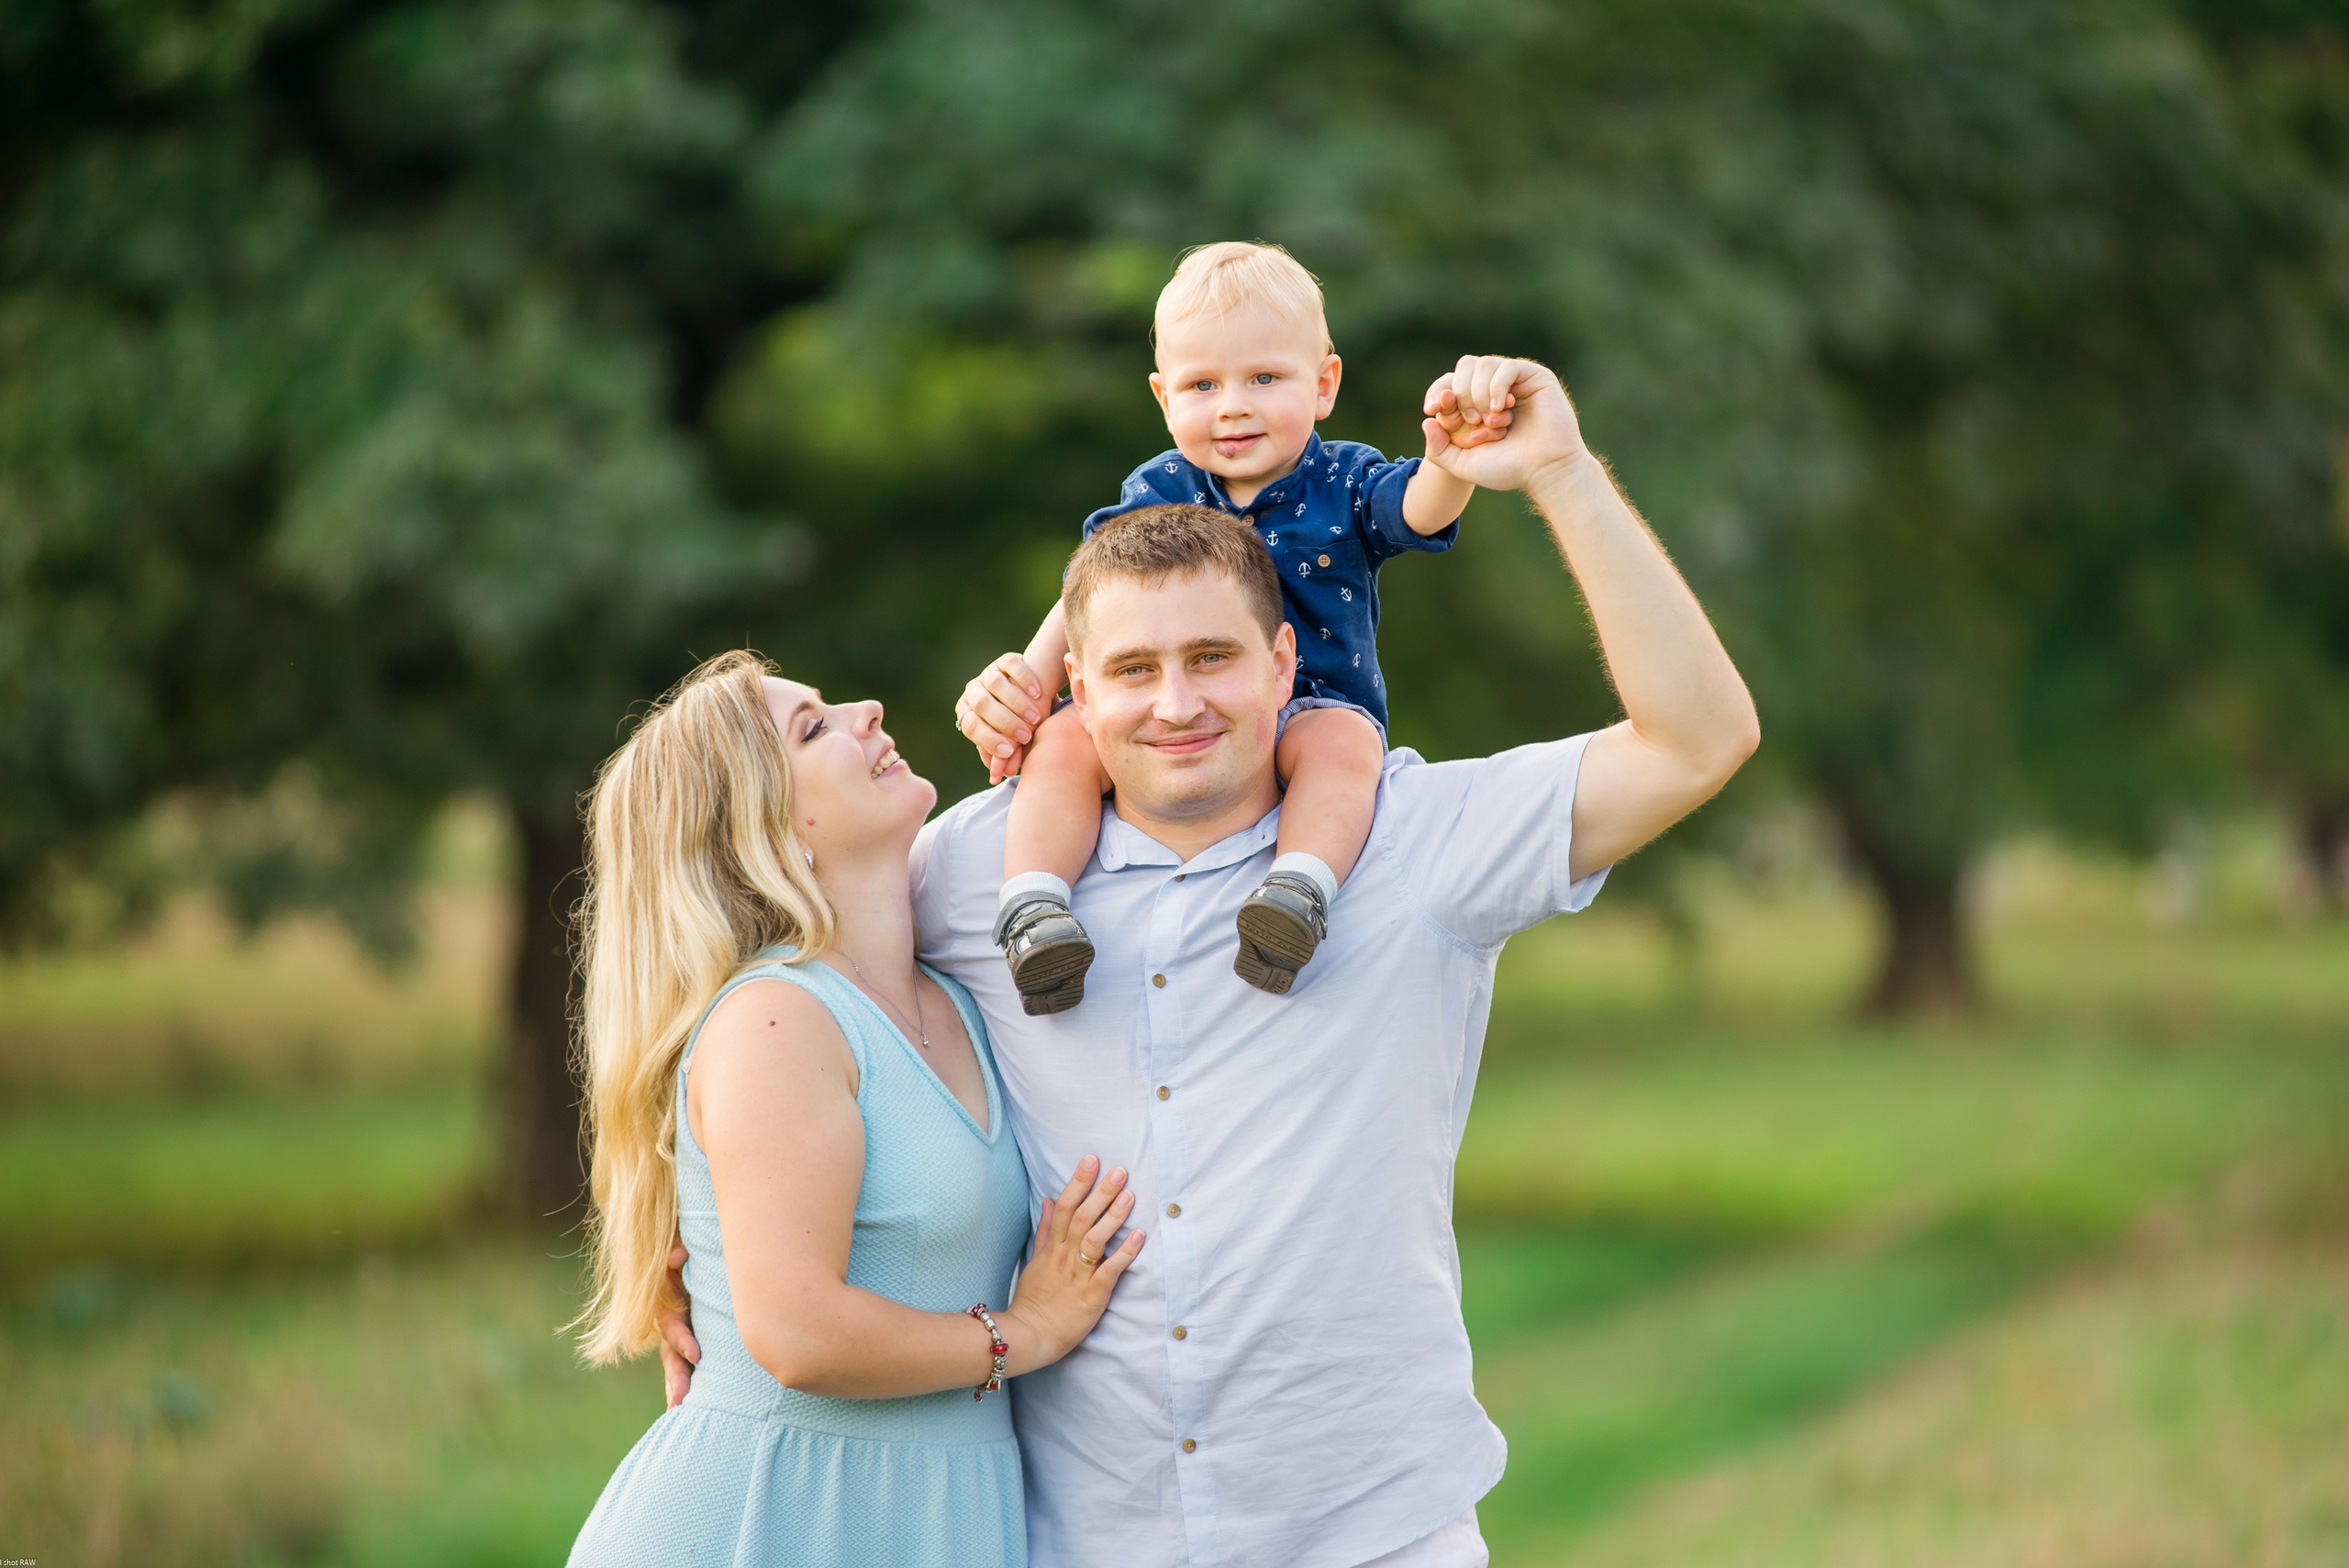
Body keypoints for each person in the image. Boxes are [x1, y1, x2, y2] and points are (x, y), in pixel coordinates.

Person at [667, 356, 1756, 1567]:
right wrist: (696, 1256)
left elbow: (1701, 739)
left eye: (1214, 659)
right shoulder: (969, 875)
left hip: (1373, 1536)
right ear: (1079, 686)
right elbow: (761, 1012)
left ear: (1288, 666)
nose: (1175, 704)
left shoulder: (1416, 845)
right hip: (1082, 1542)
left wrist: (1557, 471)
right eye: (1132, 670)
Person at [564, 650, 1144, 1568]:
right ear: (770, 829)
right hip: (777, 1514)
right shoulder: (776, 1017)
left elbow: (1136, 572)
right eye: (813, 725)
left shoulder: (955, 993)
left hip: (938, 1510)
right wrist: (1026, 1332)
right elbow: (796, 1332)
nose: (866, 708)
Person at [976, 242, 1517, 1012]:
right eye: (1203, 384)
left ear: (1324, 384)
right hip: (1181, 699)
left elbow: (1415, 512)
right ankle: (1034, 908)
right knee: (1065, 741)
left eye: (1264, 378)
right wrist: (1030, 685)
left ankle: (1295, 893)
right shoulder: (1160, 487)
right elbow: (1087, 592)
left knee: (1344, 748)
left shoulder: (1344, 480)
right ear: (1164, 398)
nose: (1233, 405)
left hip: (1315, 701)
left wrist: (1454, 463)